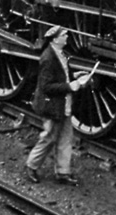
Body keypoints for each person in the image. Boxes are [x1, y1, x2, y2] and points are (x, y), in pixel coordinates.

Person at [24, 25, 91, 185]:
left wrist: (75, 76)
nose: (67, 38)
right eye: (64, 35)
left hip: (64, 105)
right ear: (55, 39)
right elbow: (46, 86)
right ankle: (31, 166)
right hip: (53, 105)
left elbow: (62, 75)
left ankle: (63, 172)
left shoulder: (61, 54)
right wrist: (71, 86)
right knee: (49, 137)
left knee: (65, 139)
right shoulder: (48, 58)